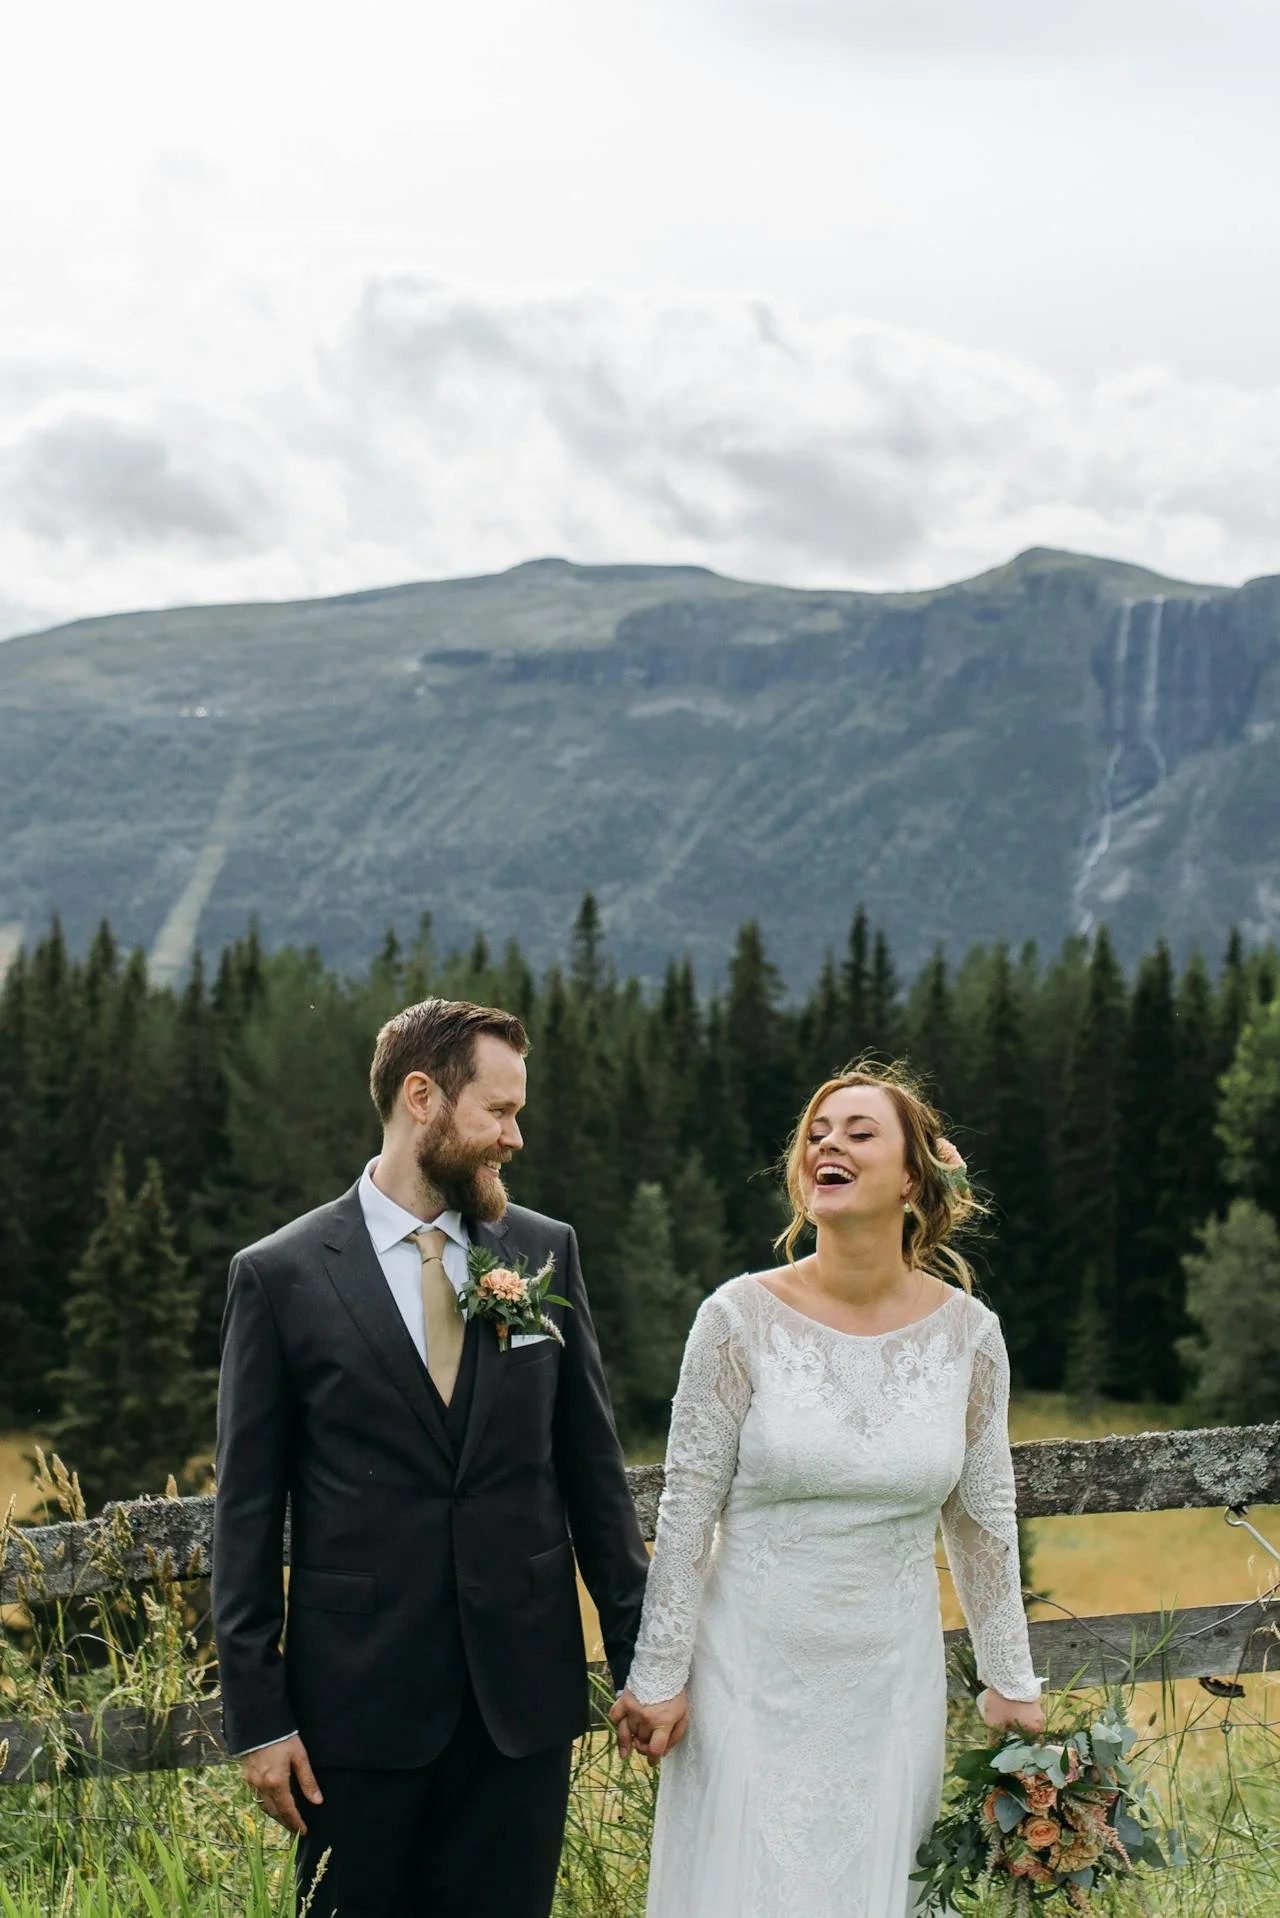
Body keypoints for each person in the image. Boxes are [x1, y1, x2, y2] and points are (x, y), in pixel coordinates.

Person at [212, 997, 650, 1918]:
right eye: (498, 1111)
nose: (514, 1137)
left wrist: (643, 1659)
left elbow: (592, 1477)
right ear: (423, 1098)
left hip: (521, 1707)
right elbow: (245, 1519)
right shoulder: (280, 1275)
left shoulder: (544, 1252)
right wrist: (260, 1718)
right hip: (357, 1711)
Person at [611, 1063, 1045, 1918]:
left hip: (889, 1684)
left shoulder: (970, 1336)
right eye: (816, 1134)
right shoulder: (735, 1319)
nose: (828, 1147)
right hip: (747, 1674)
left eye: (857, 1132)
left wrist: (1013, 1684)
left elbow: (985, 1525)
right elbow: (687, 1512)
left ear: (913, 1178)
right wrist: (658, 1673)